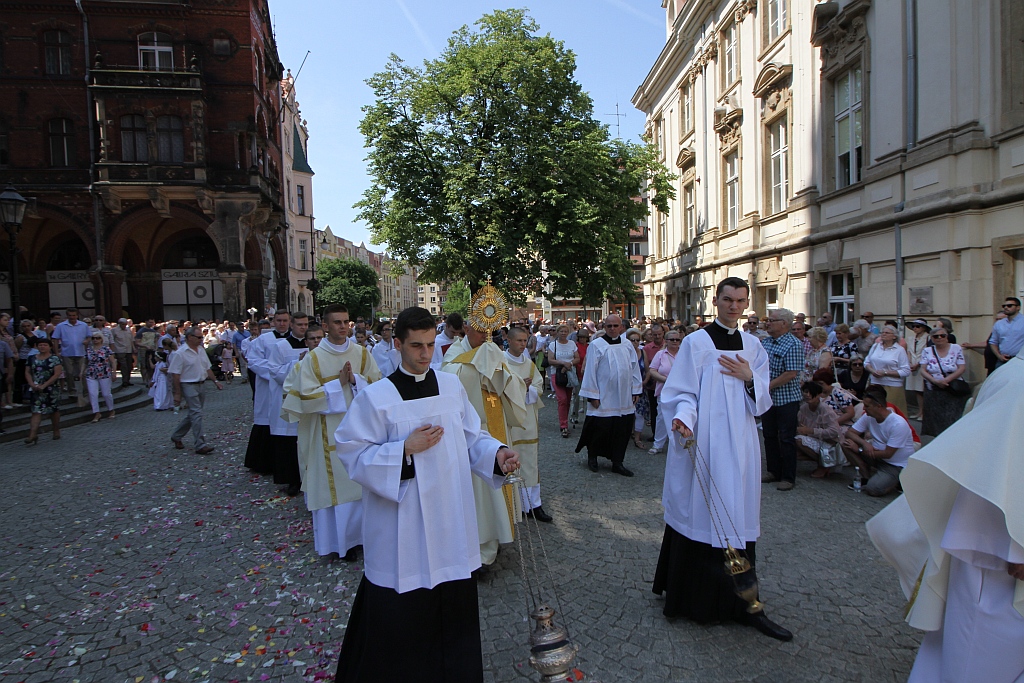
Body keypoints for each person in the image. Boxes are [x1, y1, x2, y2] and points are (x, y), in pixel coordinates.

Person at [331, 306, 520, 683]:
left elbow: (472, 438)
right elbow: (352, 453)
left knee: (452, 608)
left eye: (431, 345)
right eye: (416, 346)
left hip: (450, 519)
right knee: (403, 614)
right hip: (402, 526)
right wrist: (402, 449)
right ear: (397, 344)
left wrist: (497, 455)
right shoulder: (377, 397)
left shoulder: (451, 388)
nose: (425, 354)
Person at [866, 346, 1024, 683]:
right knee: (978, 656)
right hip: (998, 549)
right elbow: (992, 470)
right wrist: (1015, 548)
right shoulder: (1017, 383)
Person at [653, 277, 791, 641]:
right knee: (701, 512)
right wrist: (683, 418)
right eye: (727, 299)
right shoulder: (696, 343)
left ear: (747, 304)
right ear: (716, 301)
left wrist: (750, 378)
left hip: (741, 444)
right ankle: (695, 602)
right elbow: (681, 391)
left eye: (740, 301)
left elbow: (762, 400)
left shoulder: (753, 346)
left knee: (737, 512)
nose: (733, 306)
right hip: (704, 442)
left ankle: (742, 603)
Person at [282, 305, 382, 561]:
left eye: (346, 322)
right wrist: (336, 385)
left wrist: (355, 381)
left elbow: (377, 386)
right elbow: (303, 397)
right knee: (334, 488)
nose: (343, 326)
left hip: (359, 431)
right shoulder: (314, 358)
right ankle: (341, 543)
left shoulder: (361, 353)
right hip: (326, 433)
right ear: (325, 326)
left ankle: (363, 538)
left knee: (359, 486)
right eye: (337, 322)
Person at [442, 286, 527, 565]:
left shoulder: (494, 352)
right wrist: (476, 366)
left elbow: (513, 386)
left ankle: (498, 536)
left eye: (490, 330)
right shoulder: (454, 355)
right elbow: (448, 382)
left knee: (498, 483)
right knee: (478, 489)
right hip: (471, 434)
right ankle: (477, 550)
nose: (485, 336)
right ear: (466, 328)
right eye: (479, 329)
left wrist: (499, 371)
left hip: (497, 427)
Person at [575, 314, 643, 476]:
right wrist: (593, 395)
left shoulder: (627, 345)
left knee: (621, 430)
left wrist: (636, 390)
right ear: (604, 327)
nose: (612, 329)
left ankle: (617, 462)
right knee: (600, 429)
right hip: (603, 396)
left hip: (624, 397)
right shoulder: (597, 345)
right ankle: (593, 457)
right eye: (609, 326)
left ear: (621, 327)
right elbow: (590, 370)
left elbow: (634, 368)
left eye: (615, 326)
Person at [503, 325, 551, 522]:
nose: (523, 344)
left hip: (528, 421)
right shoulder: (501, 362)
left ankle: (533, 504)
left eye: (525, 341)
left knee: (530, 463)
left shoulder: (530, 364)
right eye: (519, 341)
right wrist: (519, 386)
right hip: (510, 422)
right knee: (510, 461)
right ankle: (512, 505)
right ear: (509, 341)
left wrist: (527, 389)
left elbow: (538, 388)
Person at [840, 385, 915, 495]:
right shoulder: (868, 416)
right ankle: (866, 476)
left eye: (867, 406)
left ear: (878, 406)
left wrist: (859, 450)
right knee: (845, 443)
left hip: (895, 464)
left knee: (873, 489)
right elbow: (850, 433)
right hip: (876, 456)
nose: (864, 409)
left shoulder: (898, 424)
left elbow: (888, 454)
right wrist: (864, 443)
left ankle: (898, 479)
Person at [266, 312, 310, 497]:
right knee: (290, 441)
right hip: (288, 397)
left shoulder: (315, 344)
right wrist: (296, 363)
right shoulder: (281, 346)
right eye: (299, 324)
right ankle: (292, 480)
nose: (303, 328)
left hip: (308, 398)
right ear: (292, 325)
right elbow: (274, 372)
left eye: (306, 324)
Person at [760, 307, 803, 491]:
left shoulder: (794, 344)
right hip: (767, 400)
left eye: (772, 320)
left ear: (784, 324)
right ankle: (773, 471)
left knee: (786, 438)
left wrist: (767, 385)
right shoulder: (766, 342)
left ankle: (788, 476)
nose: (767, 323)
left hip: (786, 399)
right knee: (769, 435)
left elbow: (791, 374)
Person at [244, 310, 291, 474]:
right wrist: (274, 372)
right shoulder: (263, 340)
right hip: (268, 385)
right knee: (266, 420)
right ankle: (263, 463)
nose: (282, 324)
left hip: (289, 385)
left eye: (285, 320)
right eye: (278, 320)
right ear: (273, 322)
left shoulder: (295, 340)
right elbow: (253, 361)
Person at [169, 327, 223, 454]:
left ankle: (176, 436)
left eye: (201, 337)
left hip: (201, 384)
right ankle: (200, 444)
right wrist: (177, 393)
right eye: (198, 337)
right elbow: (175, 374)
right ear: (189, 337)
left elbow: (207, 367)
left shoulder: (201, 350)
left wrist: (216, 381)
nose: (201, 339)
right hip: (188, 385)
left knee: (194, 413)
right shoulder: (180, 353)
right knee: (196, 414)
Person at [918, 326, 968, 437]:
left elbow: (961, 368)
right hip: (933, 389)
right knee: (935, 419)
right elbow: (923, 369)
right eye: (936, 336)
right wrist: (935, 381)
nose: (939, 338)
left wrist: (946, 380)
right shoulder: (927, 350)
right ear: (932, 338)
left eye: (942, 335)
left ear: (947, 337)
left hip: (952, 388)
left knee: (952, 417)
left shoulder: (956, 348)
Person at [794, 381, 842, 479]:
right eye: (805, 392)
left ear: (819, 394)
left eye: (811, 393)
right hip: (814, 439)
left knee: (799, 440)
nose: (808, 395)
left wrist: (811, 431)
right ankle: (824, 462)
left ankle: (824, 465)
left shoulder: (826, 410)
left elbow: (834, 432)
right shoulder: (803, 408)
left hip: (829, 442)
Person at [646, 329, 682, 454]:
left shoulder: (685, 353)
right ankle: (658, 444)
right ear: (666, 341)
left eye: (677, 339)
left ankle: (680, 444)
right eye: (672, 339)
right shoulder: (661, 354)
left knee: (681, 416)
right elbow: (652, 370)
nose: (675, 342)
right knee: (662, 417)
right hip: (664, 390)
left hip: (682, 391)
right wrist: (666, 380)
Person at [23, 337, 63, 445]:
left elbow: (57, 373)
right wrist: (31, 383)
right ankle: (32, 434)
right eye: (40, 345)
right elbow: (27, 372)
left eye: (45, 345)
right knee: (36, 411)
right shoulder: (31, 358)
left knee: (53, 410)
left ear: (49, 347)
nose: (42, 347)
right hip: (36, 388)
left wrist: (45, 385)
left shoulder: (54, 359)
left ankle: (55, 429)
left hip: (51, 388)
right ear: (36, 346)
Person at [864, 324, 912, 415]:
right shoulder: (875, 346)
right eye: (882, 332)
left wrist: (885, 373)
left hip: (892, 385)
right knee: (874, 411)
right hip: (875, 383)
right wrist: (872, 371)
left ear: (894, 336)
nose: (883, 334)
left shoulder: (899, 350)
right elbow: (866, 362)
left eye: (887, 333)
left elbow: (906, 371)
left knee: (891, 412)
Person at [546, 324, 579, 439]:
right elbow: (550, 360)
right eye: (561, 331)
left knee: (568, 399)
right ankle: (563, 425)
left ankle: (565, 421)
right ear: (558, 332)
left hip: (569, 373)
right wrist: (562, 363)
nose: (563, 333)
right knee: (562, 399)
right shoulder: (553, 345)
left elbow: (577, 358)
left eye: (565, 331)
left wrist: (569, 364)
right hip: (557, 373)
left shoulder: (572, 344)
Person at [51, 307, 91, 398]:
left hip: (81, 352)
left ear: (77, 315)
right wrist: (56, 352)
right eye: (70, 315)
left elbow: (89, 336)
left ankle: (85, 391)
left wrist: (87, 341)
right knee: (69, 373)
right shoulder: (61, 326)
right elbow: (55, 339)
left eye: (74, 315)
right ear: (67, 316)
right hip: (67, 352)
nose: (72, 317)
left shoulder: (83, 325)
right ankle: (71, 390)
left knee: (83, 373)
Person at [82, 330, 117, 423]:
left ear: (101, 339)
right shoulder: (89, 349)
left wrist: (114, 372)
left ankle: (111, 409)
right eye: (93, 338)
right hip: (91, 373)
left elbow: (113, 361)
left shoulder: (106, 349)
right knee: (93, 394)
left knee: (106, 393)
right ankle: (96, 412)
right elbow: (85, 361)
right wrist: (82, 371)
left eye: (98, 338)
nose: (95, 340)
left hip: (104, 372)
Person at [904, 319, 931, 420]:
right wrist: (910, 363)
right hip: (912, 366)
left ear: (924, 328)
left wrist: (919, 364)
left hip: (923, 366)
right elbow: (909, 351)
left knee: (923, 389)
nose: (915, 328)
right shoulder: (910, 338)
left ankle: (924, 412)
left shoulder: (928, 338)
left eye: (917, 326)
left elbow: (927, 353)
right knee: (916, 390)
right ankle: (919, 411)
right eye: (913, 326)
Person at [987, 296, 1024, 368]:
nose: (1006, 307)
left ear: (1018, 308)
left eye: (1009, 306)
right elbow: (993, 342)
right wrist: (999, 356)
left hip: (1020, 361)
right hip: (1002, 361)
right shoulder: (999, 323)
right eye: (1004, 306)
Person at [149, 339, 175, 411]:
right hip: (159, 380)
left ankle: (162, 405)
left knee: (163, 392)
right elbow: (155, 371)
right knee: (159, 393)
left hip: (163, 379)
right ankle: (160, 405)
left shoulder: (163, 364)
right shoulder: (158, 364)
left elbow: (159, 372)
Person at [134, 318, 160, 387]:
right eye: (150, 322)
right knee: (144, 365)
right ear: (146, 322)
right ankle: (145, 380)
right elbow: (137, 342)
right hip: (143, 349)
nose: (151, 324)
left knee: (151, 365)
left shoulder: (153, 331)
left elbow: (155, 340)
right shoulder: (141, 331)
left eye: (152, 322)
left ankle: (151, 379)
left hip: (152, 349)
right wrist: (145, 346)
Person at [110, 318, 135, 388]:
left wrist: (134, 348)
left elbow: (131, 340)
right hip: (119, 350)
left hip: (128, 350)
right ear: (119, 324)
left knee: (129, 366)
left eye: (125, 324)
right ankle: (125, 381)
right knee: (124, 366)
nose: (124, 326)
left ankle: (128, 380)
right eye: (123, 324)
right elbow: (111, 341)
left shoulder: (128, 330)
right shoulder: (114, 330)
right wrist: (113, 351)